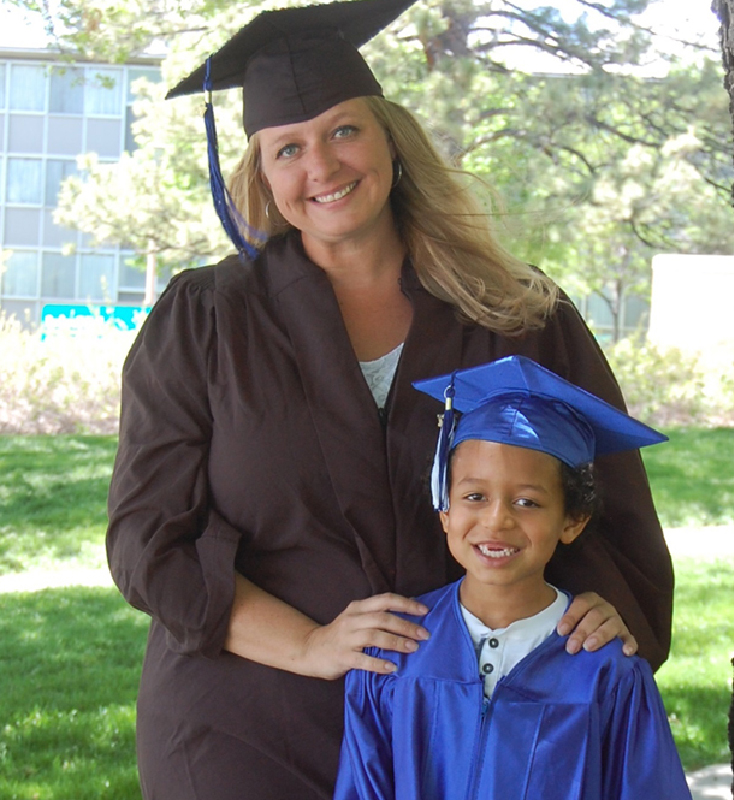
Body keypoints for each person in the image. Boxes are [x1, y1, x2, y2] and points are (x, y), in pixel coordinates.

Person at [105, 0, 675, 797]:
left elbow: (608, 507)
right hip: (247, 725)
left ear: (390, 141)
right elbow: (147, 538)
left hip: (466, 732)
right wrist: (308, 645)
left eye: (344, 131)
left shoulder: (515, 314)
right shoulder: (203, 320)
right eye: (287, 149)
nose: (322, 168)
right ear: (260, 173)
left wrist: (606, 610)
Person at [335, 356, 690, 800]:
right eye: (475, 496)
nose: (497, 520)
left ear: (572, 520)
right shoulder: (395, 657)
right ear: (445, 509)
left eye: (527, 502)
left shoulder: (605, 672)